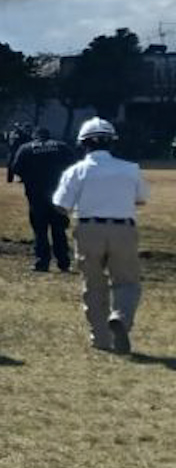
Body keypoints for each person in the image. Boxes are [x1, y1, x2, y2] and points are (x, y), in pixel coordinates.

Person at [53, 118, 149, 354]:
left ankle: (101, 339)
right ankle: (121, 318)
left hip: (88, 229)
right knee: (127, 282)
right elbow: (141, 199)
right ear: (112, 143)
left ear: (83, 144)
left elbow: (60, 204)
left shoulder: (76, 171)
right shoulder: (131, 169)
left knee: (93, 284)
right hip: (123, 229)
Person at [8, 126, 74, 273]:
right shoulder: (61, 147)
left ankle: (41, 262)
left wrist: (29, 177)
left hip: (36, 195)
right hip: (58, 194)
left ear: (34, 136)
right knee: (59, 229)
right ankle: (64, 263)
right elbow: (73, 165)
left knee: (40, 230)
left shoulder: (26, 148)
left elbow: (16, 168)